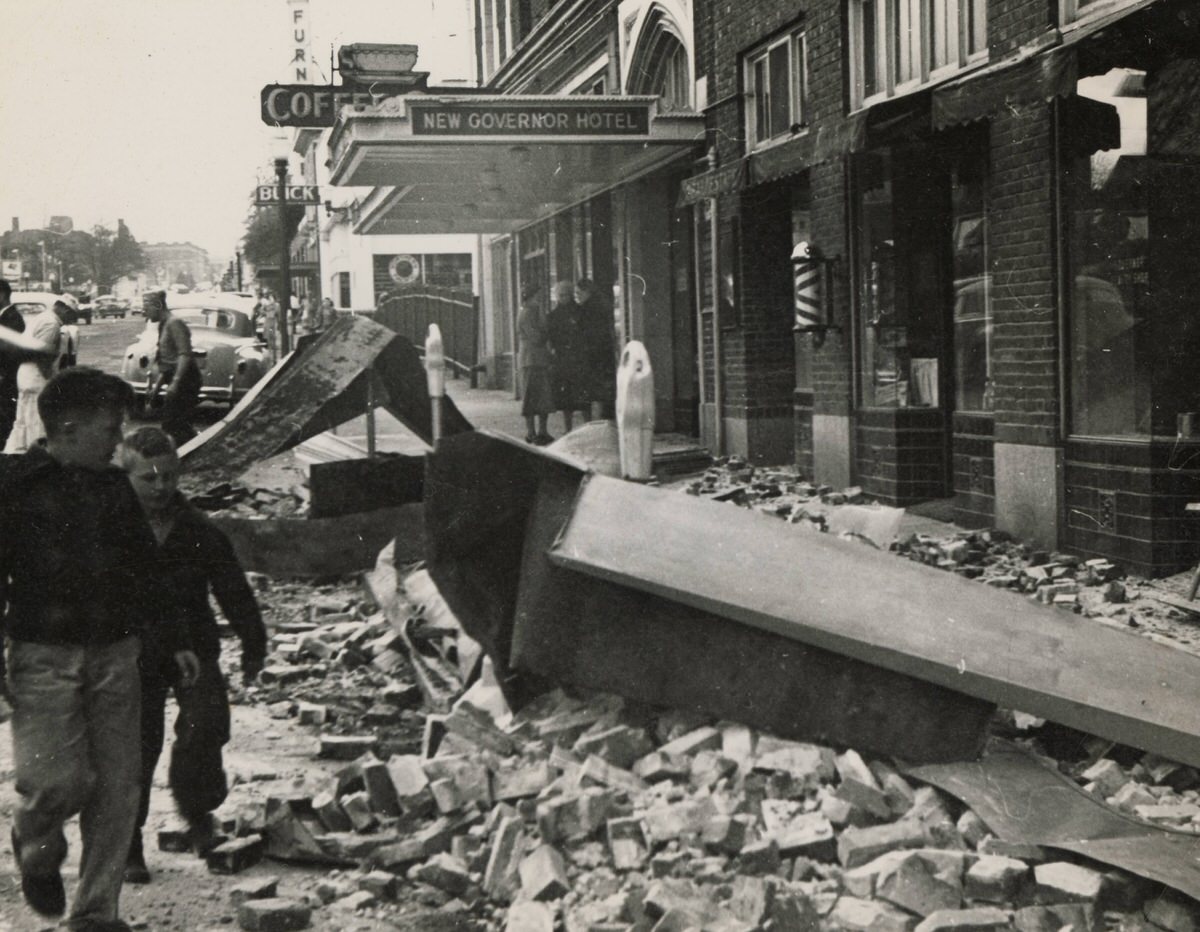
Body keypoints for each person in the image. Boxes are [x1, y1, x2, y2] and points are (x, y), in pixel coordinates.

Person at [0, 367, 198, 931]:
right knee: (55, 782)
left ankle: (95, 915)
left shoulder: (115, 488)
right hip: (42, 657)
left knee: (118, 790)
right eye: (109, 429)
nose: (118, 440)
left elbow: (147, 571)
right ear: (68, 428)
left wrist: (175, 638)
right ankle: (35, 842)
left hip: (117, 655)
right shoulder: (14, 486)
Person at [117, 427, 266, 885]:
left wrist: (253, 643)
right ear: (127, 478)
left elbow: (233, 591)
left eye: (168, 476)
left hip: (193, 650)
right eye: (148, 478)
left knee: (206, 724)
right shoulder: (112, 530)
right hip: (133, 652)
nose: (161, 488)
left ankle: (198, 816)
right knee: (137, 748)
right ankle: (128, 842)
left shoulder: (200, 530)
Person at [0, 295, 72, 453]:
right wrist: (51, 381)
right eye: (70, 313)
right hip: (36, 377)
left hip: (25, 374)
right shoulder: (51, 324)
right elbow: (42, 357)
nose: (70, 318)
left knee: (23, 418)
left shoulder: (43, 317)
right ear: (63, 308)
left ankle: (15, 451)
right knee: (35, 419)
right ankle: (35, 454)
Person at [143, 291, 200, 447]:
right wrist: (156, 391)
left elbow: (184, 354)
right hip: (176, 379)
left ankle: (189, 456)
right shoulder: (164, 324)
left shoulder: (174, 323)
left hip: (186, 379)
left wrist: (175, 382)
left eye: (146, 307)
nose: (144, 312)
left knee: (176, 425)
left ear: (158, 305)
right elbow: (166, 363)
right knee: (173, 425)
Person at [546, 280, 589, 434]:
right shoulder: (552, 316)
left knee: (583, 395)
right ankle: (568, 428)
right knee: (566, 398)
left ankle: (587, 427)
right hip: (563, 359)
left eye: (565, 295)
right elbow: (550, 338)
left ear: (571, 295)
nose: (562, 298)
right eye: (560, 295)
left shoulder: (581, 312)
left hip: (578, 358)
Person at [516, 285, 554, 445]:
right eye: (537, 296)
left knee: (542, 395)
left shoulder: (533, 312)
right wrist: (547, 331)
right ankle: (531, 431)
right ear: (531, 297)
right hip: (530, 359)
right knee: (531, 395)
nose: (540, 299)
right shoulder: (526, 314)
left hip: (538, 359)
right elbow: (536, 337)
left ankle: (542, 431)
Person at [574, 278, 616, 419]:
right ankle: (601, 420)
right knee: (600, 392)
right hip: (603, 355)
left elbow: (586, 334)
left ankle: (594, 423)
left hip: (591, 356)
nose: (577, 295)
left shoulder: (586, 310)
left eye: (579, 292)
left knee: (593, 392)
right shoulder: (600, 305)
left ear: (587, 292)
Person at [0, 279, 26, 447]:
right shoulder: (6, 317)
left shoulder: (12, 318)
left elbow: (10, 353)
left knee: (4, 422)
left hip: (5, 380)